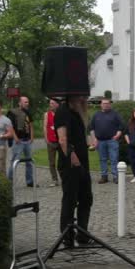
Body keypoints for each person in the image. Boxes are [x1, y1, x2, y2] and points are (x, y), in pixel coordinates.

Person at [54, 95, 93, 247]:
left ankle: (82, 234)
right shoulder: (62, 111)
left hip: (83, 161)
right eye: (83, 98)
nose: (85, 100)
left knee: (86, 198)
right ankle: (67, 237)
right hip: (70, 163)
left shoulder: (77, 112)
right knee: (70, 200)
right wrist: (72, 155)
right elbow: (62, 139)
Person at [89, 97, 124, 184]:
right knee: (102, 159)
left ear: (110, 104)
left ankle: (115, 177)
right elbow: (91, 128)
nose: (105, 105)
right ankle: (104, 177)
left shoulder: (115, 114)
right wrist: (94, 139)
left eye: (107, 103)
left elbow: (121, 126)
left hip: (112, 140)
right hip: (100, 141)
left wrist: (117, 135)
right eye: (104, 103)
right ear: (101, 105)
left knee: (114, 159)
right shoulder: (96, 114)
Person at [7, 96, 36, 187]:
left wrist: (32, 137)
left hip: (27, 140)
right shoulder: (12, 113)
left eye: (27, 102)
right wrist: (15, 138)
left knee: (29, 161)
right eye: (25, 102)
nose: (27, 104)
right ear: (19, 103)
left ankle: (30, 181)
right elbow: (9, 126)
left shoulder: (28, 112)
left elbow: (31, 125)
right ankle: (9, 181)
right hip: (18, 141)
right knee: (14, 161)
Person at [43, 98, 61, 187]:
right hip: (51, 141)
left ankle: (65, 177)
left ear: (57, 104)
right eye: (50, 103)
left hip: (60, 141)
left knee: (62, 161)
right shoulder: (47, 114)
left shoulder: (61, 114)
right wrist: (46, 139)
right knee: (52, 162)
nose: (51, 105)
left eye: (53, 103)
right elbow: (45, 126)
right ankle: (54, 179)